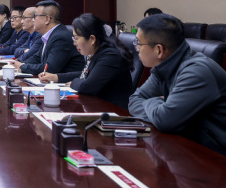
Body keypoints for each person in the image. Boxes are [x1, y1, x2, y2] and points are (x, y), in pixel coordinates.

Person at [129, 13, 226, 155]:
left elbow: (165, 121)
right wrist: (161, 106)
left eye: (138, 43)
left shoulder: (196, 71)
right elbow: (134, 100)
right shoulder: (164, 66)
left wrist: (153, 103)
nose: (136, 48)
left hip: (216, 156)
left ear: (159, 50)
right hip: (190, 148)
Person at [39, 13, 134, 108]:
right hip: (97, 106)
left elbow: (88, 86)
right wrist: (56, 77)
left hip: (114, 112)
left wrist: (73, 83)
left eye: (76, 38)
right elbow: (86, 75)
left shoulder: (110, 56)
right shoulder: (97, 52)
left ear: (92, 39)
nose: (74, 43)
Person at [8, 0, 84, 75]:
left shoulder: (60, 37)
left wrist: (22, 67)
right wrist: (17, 64)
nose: (33, 20)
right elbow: (37, 58)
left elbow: (49, 68)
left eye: (35, 16)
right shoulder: (50, 35)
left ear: (47, 19)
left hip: (66, 82)